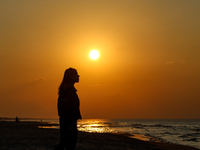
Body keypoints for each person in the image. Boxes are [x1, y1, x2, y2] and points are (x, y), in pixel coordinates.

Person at [55, 68, 82, 150]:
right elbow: (62, 109)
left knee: (66, 145)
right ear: (70, 77)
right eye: (76, 74)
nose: (78, 76)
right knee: (66, 145)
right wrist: (68, 124)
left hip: (71, 122)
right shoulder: (66, 91)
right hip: (68, 122)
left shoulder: (70, 90)